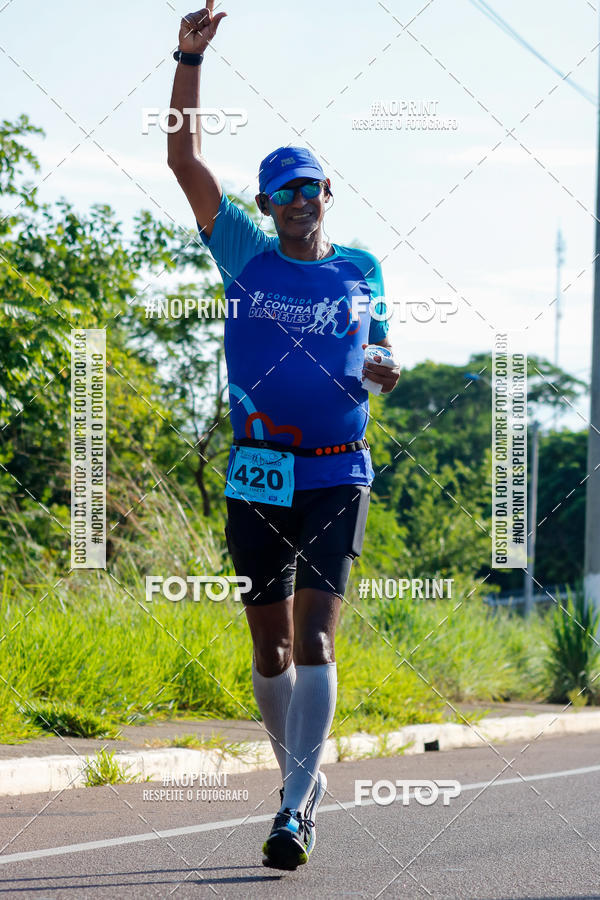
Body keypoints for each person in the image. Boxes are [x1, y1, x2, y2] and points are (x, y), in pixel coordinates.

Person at [167, 5, 400, 872]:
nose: (302, 200)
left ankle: (295, 810)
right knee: (267, 647)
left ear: (329, 195)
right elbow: (183, 161)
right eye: (287, 189)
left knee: (317, 641)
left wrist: (384, 369)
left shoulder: (362, 267)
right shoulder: (242, 251)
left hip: (340, 470)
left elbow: (378, 349)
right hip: (259, 472)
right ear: (268, 203)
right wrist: (187, 58)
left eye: (315, 186)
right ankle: (297, 780)